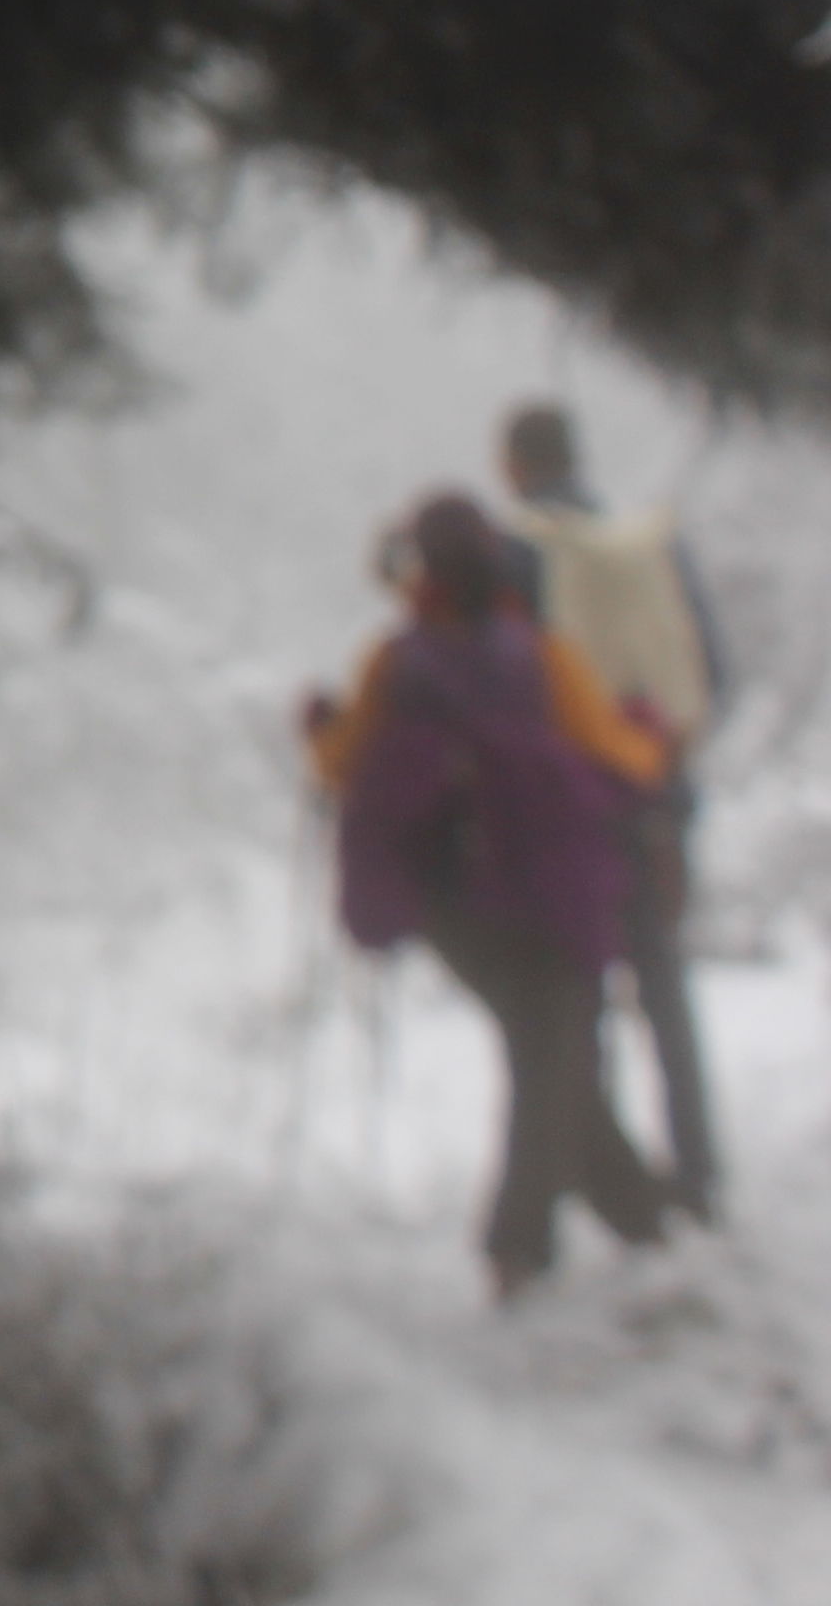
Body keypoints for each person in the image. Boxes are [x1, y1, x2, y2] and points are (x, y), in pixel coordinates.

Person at [304, 491, 673, 1298]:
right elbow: (618, 755)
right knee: (554, 1060)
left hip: (453, 901)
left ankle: (640, 1220)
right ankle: (524, 1252)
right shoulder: (543, 656)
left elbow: (340, 766)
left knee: (550, 1057)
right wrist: (649, 731)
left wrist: (319, 728)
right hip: (558, 890)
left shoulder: (393, 663)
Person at [498, 399, 726, 1219]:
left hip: (569, 817)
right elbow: (709, 673)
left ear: (514, 463)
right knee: (664, 993)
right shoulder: (647, 549)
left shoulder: (518, 554)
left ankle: (599, 1180)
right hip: (660, 803)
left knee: (575, 1003)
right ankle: (698, 1177)